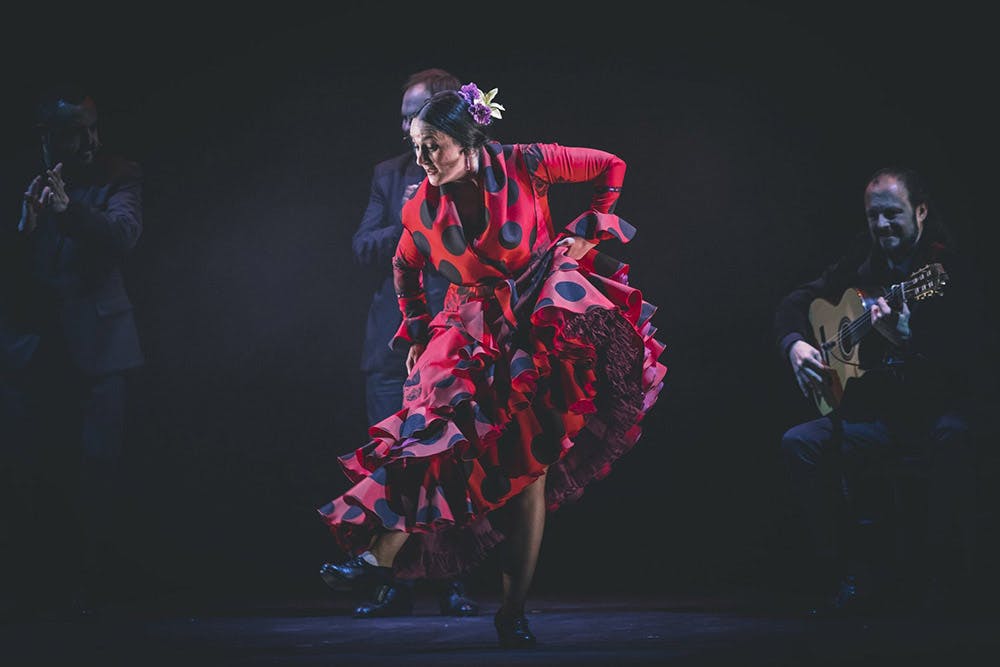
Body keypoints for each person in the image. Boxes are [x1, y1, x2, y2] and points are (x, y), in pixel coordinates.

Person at [316, 82, 667, 648]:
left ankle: (514, 609)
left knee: (530, 471)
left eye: (433, 145)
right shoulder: (421, 204)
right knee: (433, 438)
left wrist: (588, 231)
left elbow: (611, 166)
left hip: (535, 322)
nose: (423, 158)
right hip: (469, 330)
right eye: (417, 146)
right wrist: (414, 327)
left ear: (466, 139)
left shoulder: (526, 163)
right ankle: (377, 558)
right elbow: (405, 266)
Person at [775, 167, 990, 616]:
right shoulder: (864, 259)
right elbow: (799, 301)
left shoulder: (950, 269)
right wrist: (794, 344)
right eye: (874, 216)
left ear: (921, 211)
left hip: (940, 411)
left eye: (892, 214)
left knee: (956, 438)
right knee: (801, 444)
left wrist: (912, 339)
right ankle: (851, 574)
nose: (882, 225)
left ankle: (946, 580)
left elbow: (975, 356)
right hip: (881, 416)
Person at [340, 67, 480, 618]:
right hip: (391, 346)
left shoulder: (478, 172)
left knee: (451, 465)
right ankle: (390, 583)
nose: (405, 126)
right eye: (402, 116)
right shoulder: (389, 174)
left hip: (455, 340)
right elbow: (362, 247)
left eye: (415, 114)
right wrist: (415, 219)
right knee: (391, 466)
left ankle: (453, 580)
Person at [0, 86, 144, 618]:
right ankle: (31, 589)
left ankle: (89, 589)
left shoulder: (118, 174)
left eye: (95, 128)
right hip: (29, 350)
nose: (92, 140)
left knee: (97, 471)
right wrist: (25, 228)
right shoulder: (12, 175)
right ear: (47, 135)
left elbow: (122, 235)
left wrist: (67, 213)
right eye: (78, 131)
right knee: (29, 471)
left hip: (99, 350)